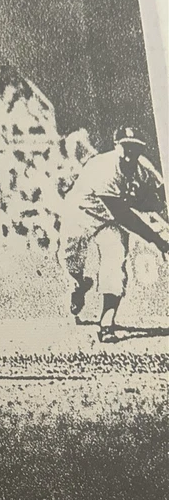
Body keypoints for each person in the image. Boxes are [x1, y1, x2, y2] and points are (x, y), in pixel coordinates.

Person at [62, 126, 168, 343]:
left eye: (135, 148)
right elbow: (124, 216)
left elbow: (163, 198)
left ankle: (107, 321)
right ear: (116, 147)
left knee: (115, 261)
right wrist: (159, 241)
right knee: (69, 259)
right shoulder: (105, 168)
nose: (130, 154)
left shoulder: (144, 169)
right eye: (126, 147)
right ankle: (80, 284)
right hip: (82, 213)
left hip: (110, 222)